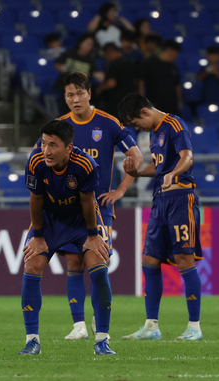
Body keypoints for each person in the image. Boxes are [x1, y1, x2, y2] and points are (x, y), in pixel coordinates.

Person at [52, 72, 143, 340]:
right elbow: (40, 156)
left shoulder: (108, 123)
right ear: (65, 98)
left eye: (80, 93)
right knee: (73, 262)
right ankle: (78, 325)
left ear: (89, 94)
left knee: (98, 261)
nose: (75, 99)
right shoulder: (59, 125)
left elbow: (136, 156)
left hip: (99, 206)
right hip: (68, 207)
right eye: (70, 95)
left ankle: (98, 320)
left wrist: (120, 190)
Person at [20, 119, 114, 356]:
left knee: (99, 266)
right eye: (43, 144)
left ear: (69, 148)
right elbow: (35, 199)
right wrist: (38, 236)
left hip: (81, 221)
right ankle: (32, 341)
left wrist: (93, 236)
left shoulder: (85, 164)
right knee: (32, 263)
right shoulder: (35, 161)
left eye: (53, 145)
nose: (46, 151)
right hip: (50, 220)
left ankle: (102, 340)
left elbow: (87, 201)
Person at [118, 93, 203, 341]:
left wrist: (173, 174)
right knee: (149, 260)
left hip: (180, 200)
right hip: (160, 202)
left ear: (145, 112)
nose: (136, 128)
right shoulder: (154, 132)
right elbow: (160, 165)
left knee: (184, 259)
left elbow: (187, 157)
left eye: (135, 123)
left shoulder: (175, 124)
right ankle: (151, 326)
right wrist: (139, 172)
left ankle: (194, 327)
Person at [53, 34, 104, 114]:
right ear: (80, 43)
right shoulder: (69, 54)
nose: (89, 47)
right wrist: (62, 68)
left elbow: (97, 74)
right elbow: (57, 64)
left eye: (91, 45)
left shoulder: (90, 60)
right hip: (66, 86)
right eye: (87, 44)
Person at [139, 39, 182, 116]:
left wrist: (179, 102)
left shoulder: (173, 67)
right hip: (155, 104)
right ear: (170, 51)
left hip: (172, 106)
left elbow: (177, 85)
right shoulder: (149, 63)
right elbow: (141, 82)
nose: (176, 57)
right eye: (176, 54)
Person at [97, 43, 139, 118]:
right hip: (129, 101)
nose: (106, 58)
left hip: (116, 103)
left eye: (106, 56)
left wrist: (100, 89)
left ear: (110, 53)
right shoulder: (130, 64)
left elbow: (111, 83)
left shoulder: (114, 64)